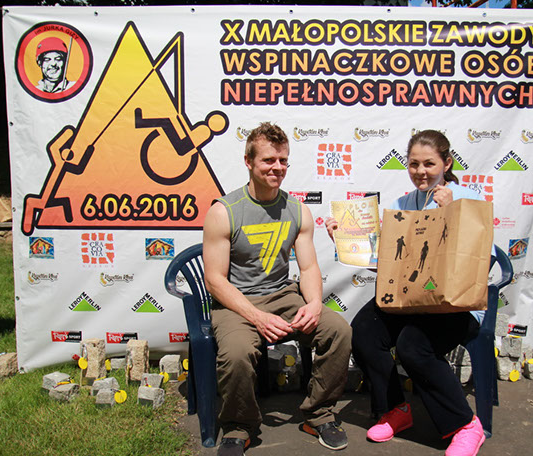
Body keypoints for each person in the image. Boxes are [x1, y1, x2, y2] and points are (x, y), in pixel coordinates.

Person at [326, 130, 487, 456]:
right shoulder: (401, 205)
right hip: (410, 299)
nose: (421, 171)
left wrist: (451, 212)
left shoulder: (468, 198)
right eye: (414, 164)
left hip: (456, 305)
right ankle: (395, 409)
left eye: (429, 163)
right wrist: (345, 241)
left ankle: (466, 425)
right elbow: (387, 266)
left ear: (447, 163)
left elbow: (477, 255)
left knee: (413, 346)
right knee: (364, 331)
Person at [204, 122, 352, 456]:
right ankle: (238, 427)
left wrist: (314, 304)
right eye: (268, 160)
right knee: (237, 354)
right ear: (248, 162)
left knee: (338, 331)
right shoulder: (223, 212)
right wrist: (257, 317)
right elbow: (215, 280)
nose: (277, 167)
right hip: (237, 302)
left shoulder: (297, 210)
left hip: (283, 296)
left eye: (283, 160)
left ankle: (319, 414)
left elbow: (309, 268)